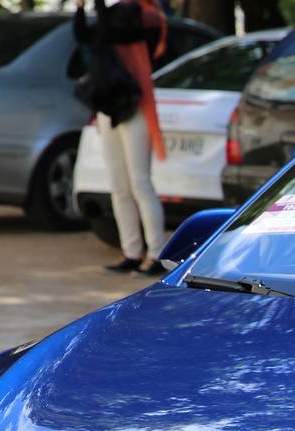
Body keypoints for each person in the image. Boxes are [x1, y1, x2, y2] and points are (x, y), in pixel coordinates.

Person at [74, 0, 169, 275]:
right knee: (119, 185)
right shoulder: (115, 13)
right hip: (110, 105)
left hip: (136, 106)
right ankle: (131, 251)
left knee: (140, 182)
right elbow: (83, 36)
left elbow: (116, 31)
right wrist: (80, 8)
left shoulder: (145, 14)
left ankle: (157, 254)